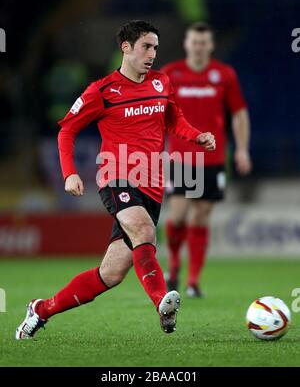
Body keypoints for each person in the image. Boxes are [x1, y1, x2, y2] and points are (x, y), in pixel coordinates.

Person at [16, 20, 215, 339]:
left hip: (151, 186)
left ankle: (41, 309)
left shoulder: (162, 83)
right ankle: (161, 303)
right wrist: (69, 173)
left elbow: (174, 120)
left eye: (155, 48)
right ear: (126, 47)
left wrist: (196, 136)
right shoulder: (102, 91)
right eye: (146, 47)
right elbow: (67, 129)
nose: (152, 54)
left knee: (110, 274)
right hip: (117, 176)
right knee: (144, 228)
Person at [161, 22, 251, 297]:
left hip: (212, 159)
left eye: (203, 43)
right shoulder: (170, 73)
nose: (198, 47)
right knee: (177, 217)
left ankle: (193, 281)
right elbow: (157, 113)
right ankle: (174, 267)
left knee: (201, 216)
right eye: (194, 42)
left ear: (210, 46)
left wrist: (242, 149)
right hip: (180, 157)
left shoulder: (224, 75)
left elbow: (239, 113)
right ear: (187, 44)